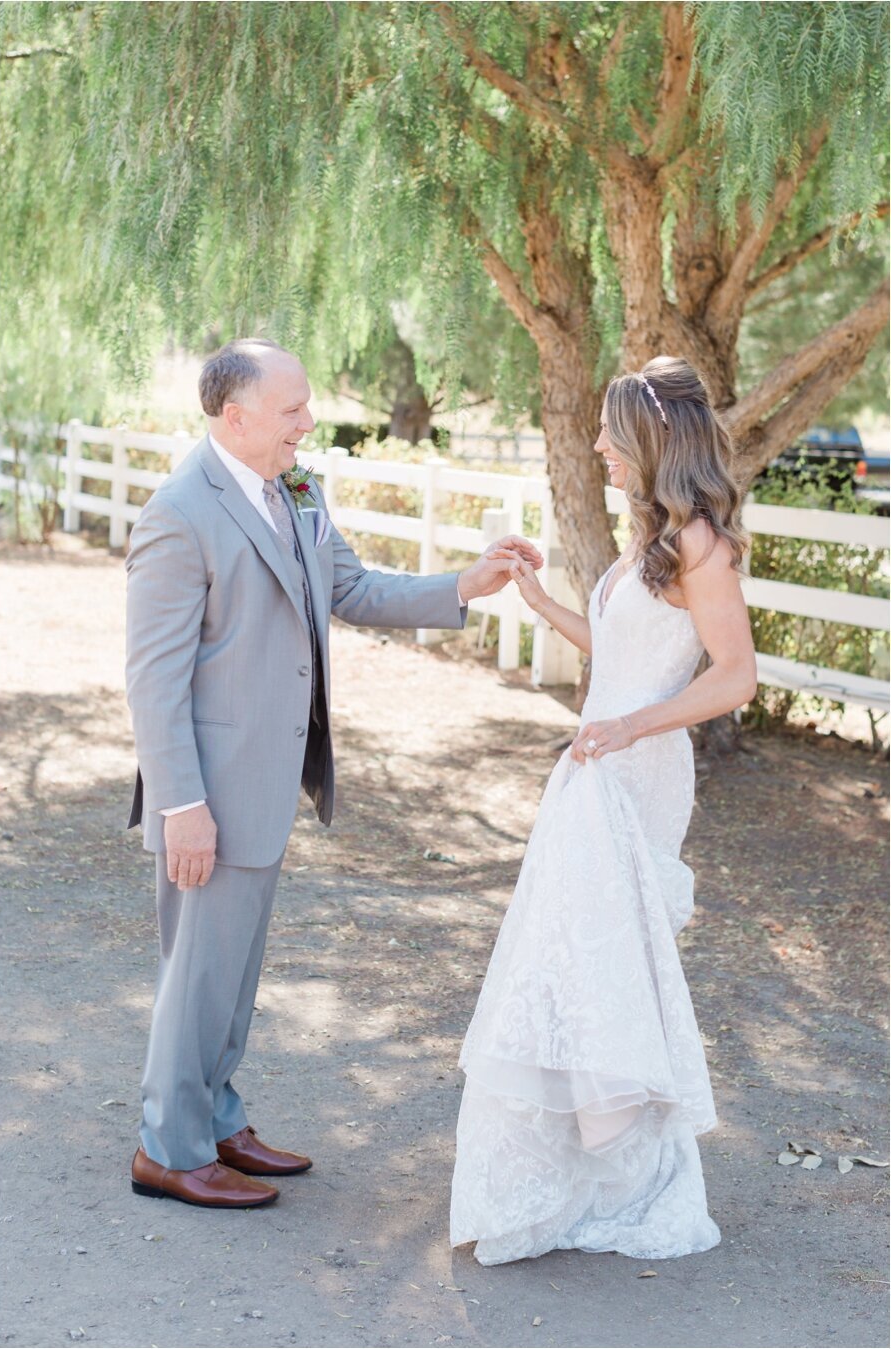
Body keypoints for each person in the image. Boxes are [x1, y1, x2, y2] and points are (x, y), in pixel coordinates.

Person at [125, 337, 542, 1209]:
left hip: (270, 780)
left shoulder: (299, 490)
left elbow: (348, 588)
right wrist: (183, 806)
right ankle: (168, 1147)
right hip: (208, 790)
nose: (308, 424)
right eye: (292, 411)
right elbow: (152, 679)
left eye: (306, 406)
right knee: (197, 973)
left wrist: (464, 584)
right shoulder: (179, 512)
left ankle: (218, 1120)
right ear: (234, 418)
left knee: (232, 974)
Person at [450, 355, 758, 1265]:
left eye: (608, 433)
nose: (595, 446)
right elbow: (623, 649)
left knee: (604, 957)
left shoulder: (702, 542)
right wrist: (544, 602)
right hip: (596, 761)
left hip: (634, 769)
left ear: (650, 439)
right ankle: (585, 1161)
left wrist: (631, 726)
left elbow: (733, 675)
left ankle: (625, 1168)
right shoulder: (653, 538)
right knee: (570, 955)